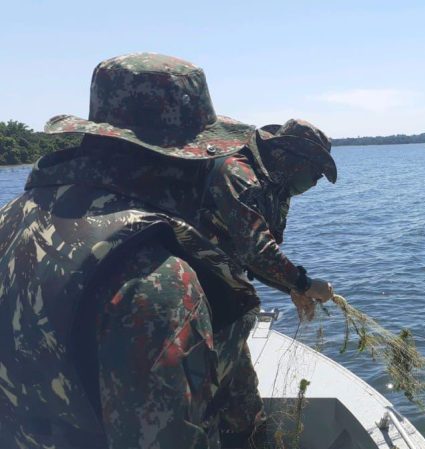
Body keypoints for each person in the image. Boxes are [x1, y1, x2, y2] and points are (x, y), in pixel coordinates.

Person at [0, 53, 336, 448]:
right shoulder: (157, 281)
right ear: (187, 158)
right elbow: (255, 247)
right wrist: (300, 283)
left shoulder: (10, 218)